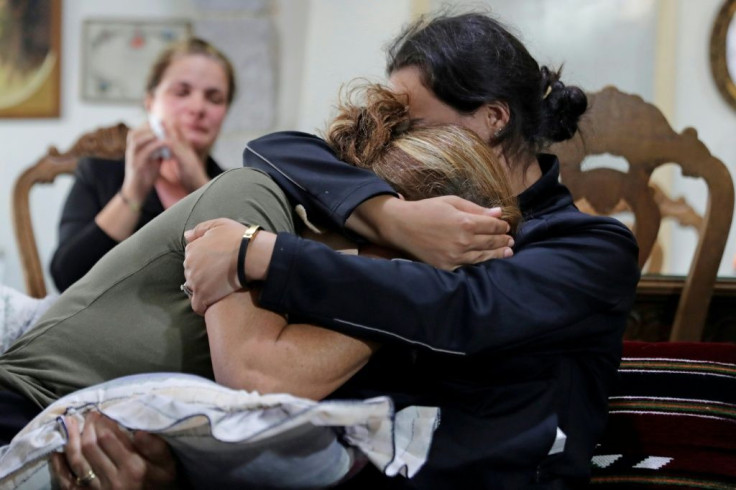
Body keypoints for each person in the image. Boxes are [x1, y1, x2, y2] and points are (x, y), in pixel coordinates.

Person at [182, 12, 640, 489]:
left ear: (494, 118)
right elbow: (274, 150)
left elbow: (460, 307)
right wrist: (393, 219)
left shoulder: (593, 248)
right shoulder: (413, 203)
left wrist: (263, 255)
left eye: (412, 125)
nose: (397, 142)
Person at [0, 84, 520, 488]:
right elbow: (256, 379)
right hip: (18, 411)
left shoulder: (338, 288)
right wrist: (415, 285)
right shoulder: (254, 200)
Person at [49, 37, 234, 292]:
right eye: (181, 92)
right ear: (150, 102)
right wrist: (133, 191)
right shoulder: (99, 173)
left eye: (214, 99)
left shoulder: (234, 187)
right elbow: (67, 278)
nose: (197, 107)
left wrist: (199, 187)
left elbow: (243, 274)